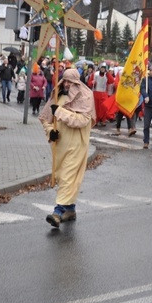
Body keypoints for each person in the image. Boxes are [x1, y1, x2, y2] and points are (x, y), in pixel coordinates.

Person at [39, 68, 96, 228]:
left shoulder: (86, 97)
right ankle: (70, 210)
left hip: (77, 145)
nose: (66, 84)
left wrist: (60, 112)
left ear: (77, 83)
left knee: (68, 176)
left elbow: (82, 120)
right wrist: (51, 132)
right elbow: (45, 119)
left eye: (70, 82)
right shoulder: (57, 97)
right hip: (60, 146)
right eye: (64, 80)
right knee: (62, 176)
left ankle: (57, 212)